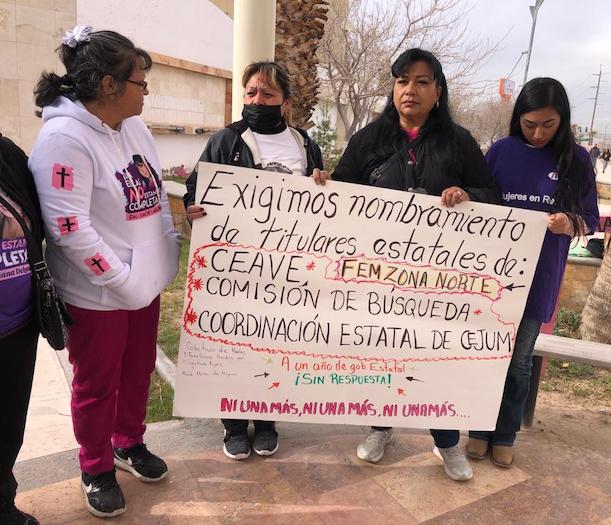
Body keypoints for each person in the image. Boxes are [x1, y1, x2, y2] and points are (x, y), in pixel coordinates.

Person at [312, 48, 500, 481]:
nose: (409, 90)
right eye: (401, 81)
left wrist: (467, 196)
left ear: (438, 90)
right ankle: (381, 427)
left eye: (420, 81)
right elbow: (341, 197)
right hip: (378, 278)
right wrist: (324, 184)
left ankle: (447, 441)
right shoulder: (369, 140)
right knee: (384, 353)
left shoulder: (460, 142)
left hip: (442, 281)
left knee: (437, 357)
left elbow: (494, 197)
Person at [28, 26, 180, 518]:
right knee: (97, 383)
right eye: (140, 82)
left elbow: (152, 194)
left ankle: (127, 442)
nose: (146, 91)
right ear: (109, 85)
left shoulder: (132, 127)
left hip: (143, 281)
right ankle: (95, 466)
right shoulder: (63, 139)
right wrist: (121, 280)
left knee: (137, 372)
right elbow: (69, 230)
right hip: (97, 293)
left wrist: (167, 247)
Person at [184, 61, 323, 461]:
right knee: (236, 342)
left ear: (286, 102)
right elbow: (198, 188)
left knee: (274, 343)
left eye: (267, 94)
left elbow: (319, 195)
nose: (257, 100)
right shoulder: (226, 140)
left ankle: (265, 421)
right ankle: (232, 424)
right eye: (251, 93)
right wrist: (195, 207)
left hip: (286, 267)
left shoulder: (302, 143)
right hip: (236, 267)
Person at [466, 77, 599, 468]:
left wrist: (569, 224)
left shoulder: (577, 160)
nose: (538, 133)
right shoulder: (502, 152)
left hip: (539, 277)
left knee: (519, 360)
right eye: (529, 124)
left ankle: (505, 434)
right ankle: (477, 428)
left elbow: (590, 219)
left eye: (548, 125)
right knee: (485, 354)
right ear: (517, 119)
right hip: (489, 277)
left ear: (563, 121)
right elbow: (481, 197)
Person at [0, 135, 43, 525]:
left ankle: (2, 504)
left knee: (8, 426)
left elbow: (40, 214)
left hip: (17, 324)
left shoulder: (7, 153)